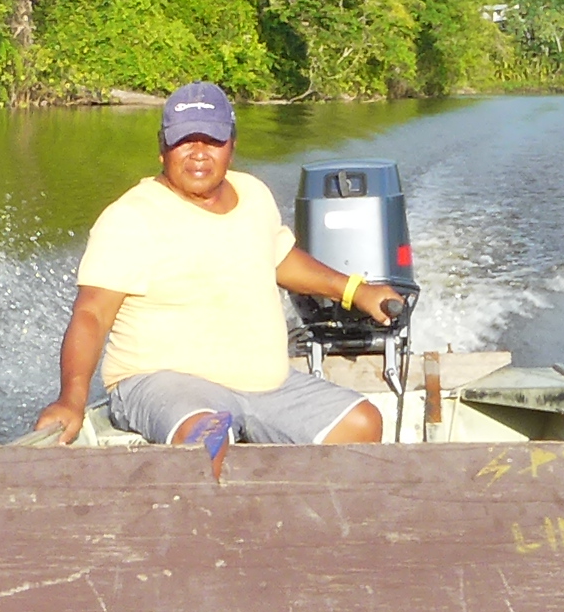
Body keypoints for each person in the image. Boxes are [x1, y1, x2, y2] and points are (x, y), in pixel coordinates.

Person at [34, 80, 405, 453]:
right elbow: (92, 315)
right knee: (207, 436)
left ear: (232, 146)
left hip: (265, 386)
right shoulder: (130, 217)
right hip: (163, 383)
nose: (198, 153)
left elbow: (280, 259)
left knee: (362, 424)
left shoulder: (254, 194)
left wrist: (357, 291)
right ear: (163, 148)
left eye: (212, 140)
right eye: (184, 140)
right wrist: (71, 399)